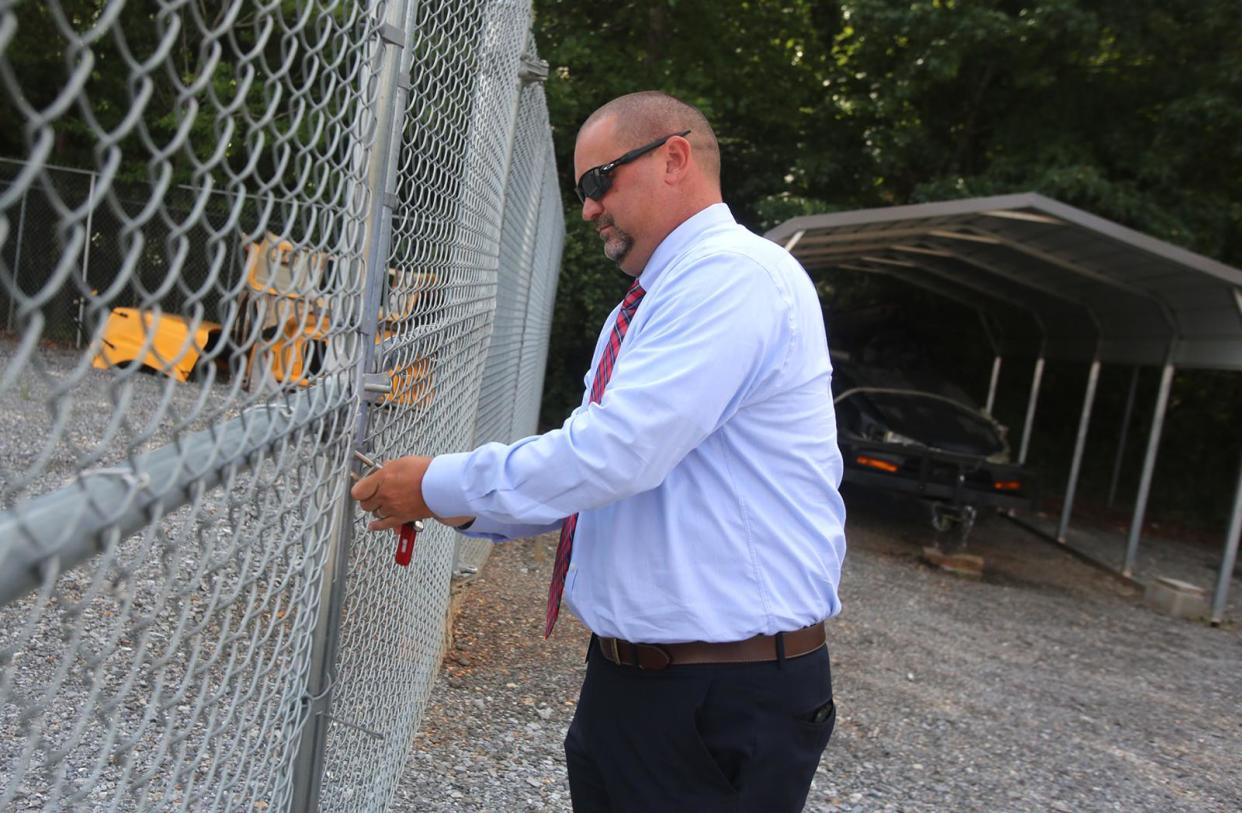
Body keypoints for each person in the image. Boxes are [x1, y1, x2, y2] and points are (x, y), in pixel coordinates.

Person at [351, 90, 847, 812]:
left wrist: (437, 485)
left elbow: (614, 454)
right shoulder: (654, 300)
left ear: (674, 157)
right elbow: (601, 481)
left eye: (597, 181)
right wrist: (456, 508)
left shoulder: (733, 277)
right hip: (649, 683)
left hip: (721, 694)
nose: (587, 207)